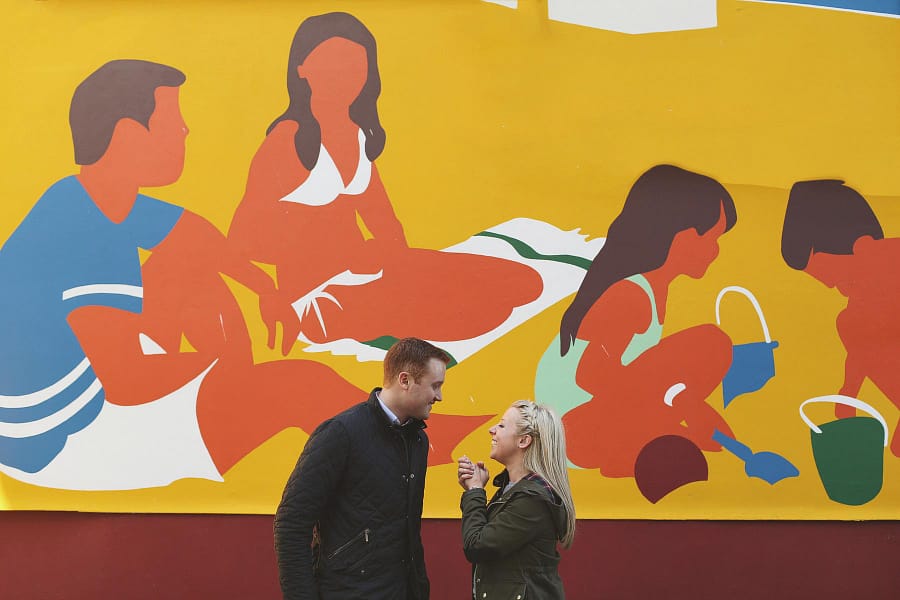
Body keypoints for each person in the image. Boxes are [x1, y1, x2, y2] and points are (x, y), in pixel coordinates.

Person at [0, 59, 361, 490]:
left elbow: (195, 236)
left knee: (186, 267)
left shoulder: (80, 195)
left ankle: (234, 391)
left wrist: (266, 289)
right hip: (66, 442)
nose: (186, 130)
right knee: (300, 384)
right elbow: (127, 382)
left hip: (54, 410)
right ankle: (409, 443)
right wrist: (228, 375)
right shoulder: (90, 236)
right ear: (130, 135)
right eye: (173, 119)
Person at [228, 12, 541, 345]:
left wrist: (401, 262)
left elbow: (384, 221)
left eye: (355, 64)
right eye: (332, 61)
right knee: (472, 318)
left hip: (365, 269)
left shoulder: (360, 137)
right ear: (302, 69)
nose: (344, 75)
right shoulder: (287, 141)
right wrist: (334, 246)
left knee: (518, 282)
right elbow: (242, 239)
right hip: (315, 293)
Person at [534, 164, 738, 478]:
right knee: (710, 343)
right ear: (677, 233)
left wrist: (682, 406)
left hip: (599, 421)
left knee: (709, 349)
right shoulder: (630, 294)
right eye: (712, 237)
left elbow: (646, 375)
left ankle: (639, 446)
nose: (715, 250)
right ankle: (637, 446)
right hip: (575, 430)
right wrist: (685, 405)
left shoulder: (653, 289)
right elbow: (591, 375)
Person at [274, 337, 451, 599]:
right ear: (405, 380)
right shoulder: (340, 433)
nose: (439, 396)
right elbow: (291, 523)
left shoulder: (418, 440)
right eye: (435, 386)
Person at [782, 179, 900, 456]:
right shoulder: (861, 305)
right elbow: (863, 347)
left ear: (859, 243)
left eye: (830, 275)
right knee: (849, 322)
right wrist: (848, 391)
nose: (830, 285)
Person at [457, 400, 576, 600]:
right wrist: (474, 490)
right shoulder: (513, 490)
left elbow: (477, 546)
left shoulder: (533, 499)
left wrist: (475, 491)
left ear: (523, 441)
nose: (491, 430)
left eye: (502, 425)